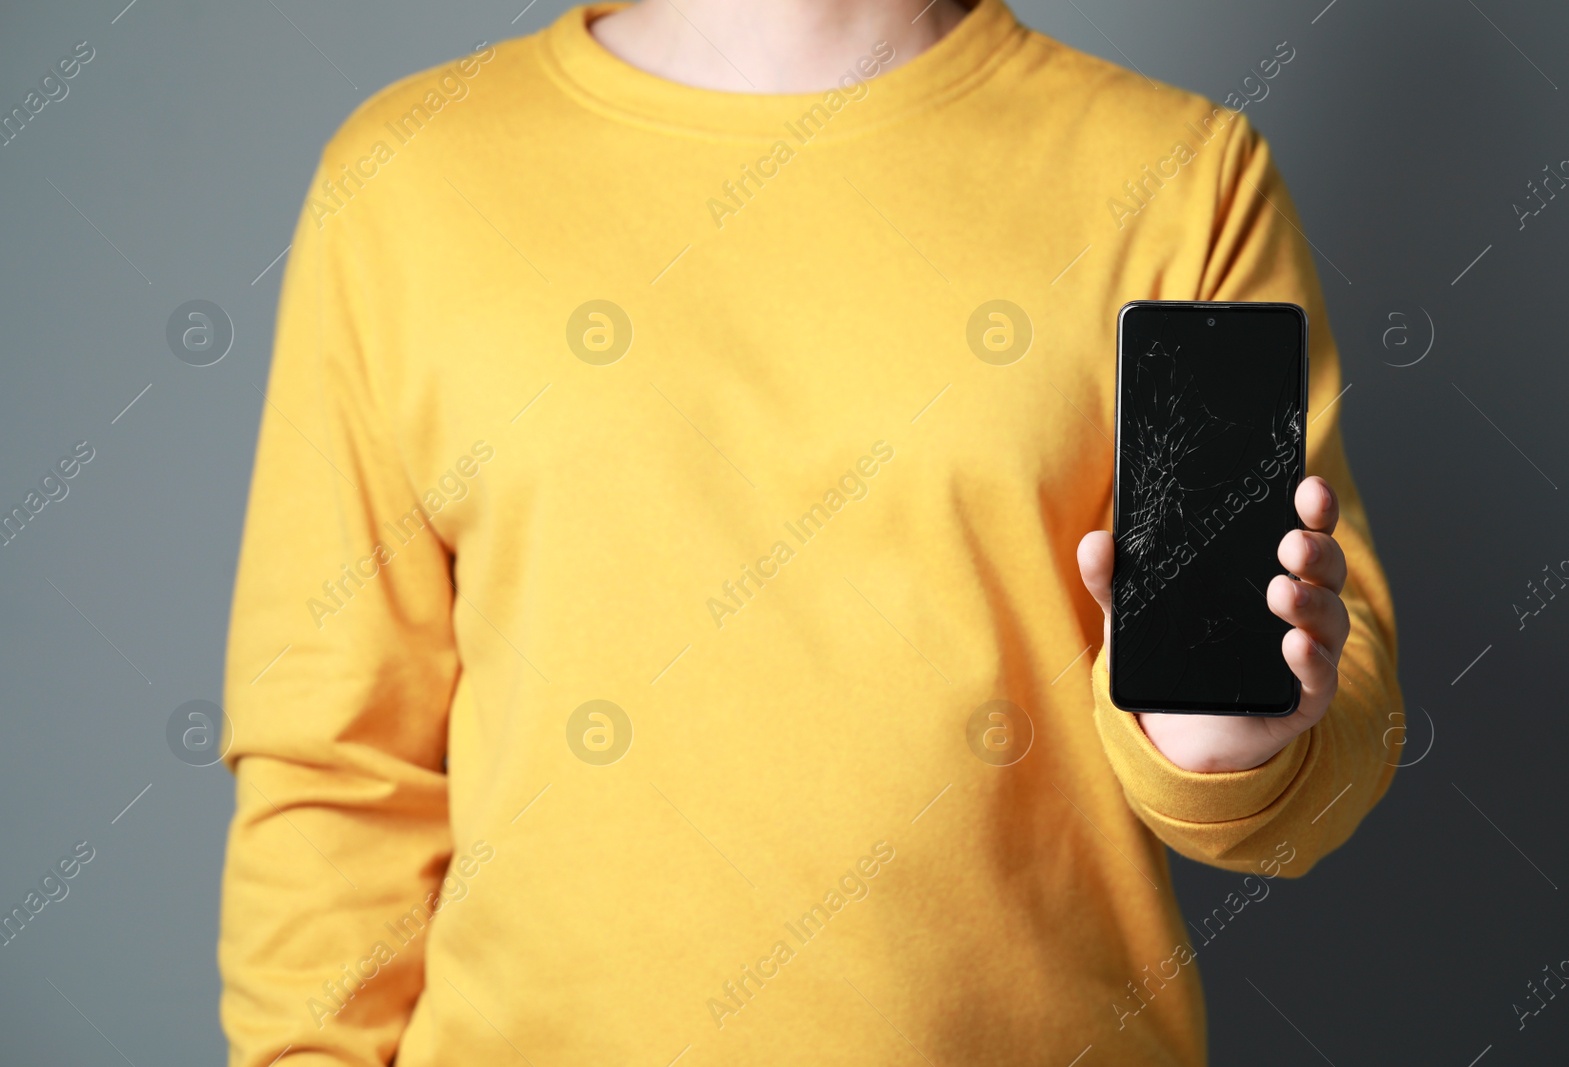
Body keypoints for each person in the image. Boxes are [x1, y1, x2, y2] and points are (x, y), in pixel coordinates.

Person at [218, 0, 1404, 1063]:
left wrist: (1223, 748)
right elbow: (334, 760)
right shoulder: (409, 178)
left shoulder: (1175, 176)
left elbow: (1336, 740)